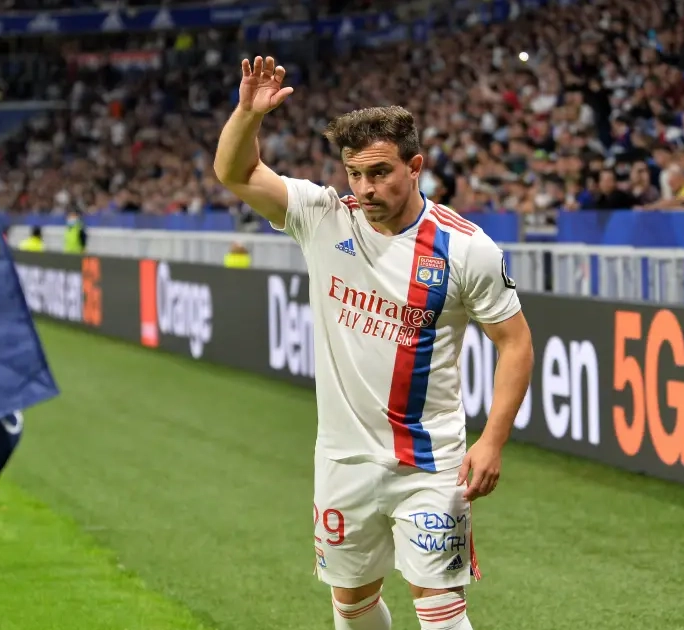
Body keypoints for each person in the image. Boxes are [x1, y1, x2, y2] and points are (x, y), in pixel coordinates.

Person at [213, 56, 534, 630]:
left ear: (415, 166)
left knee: (440, 609)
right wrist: (247, 115)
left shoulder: (466, 249)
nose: (365, 188)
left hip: (429, 461)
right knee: (352, 605)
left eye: (381, 172)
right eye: (354, 174)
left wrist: (492, 442)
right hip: (342, 459)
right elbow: (235, 172)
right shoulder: (323, 217)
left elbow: (516, 344)